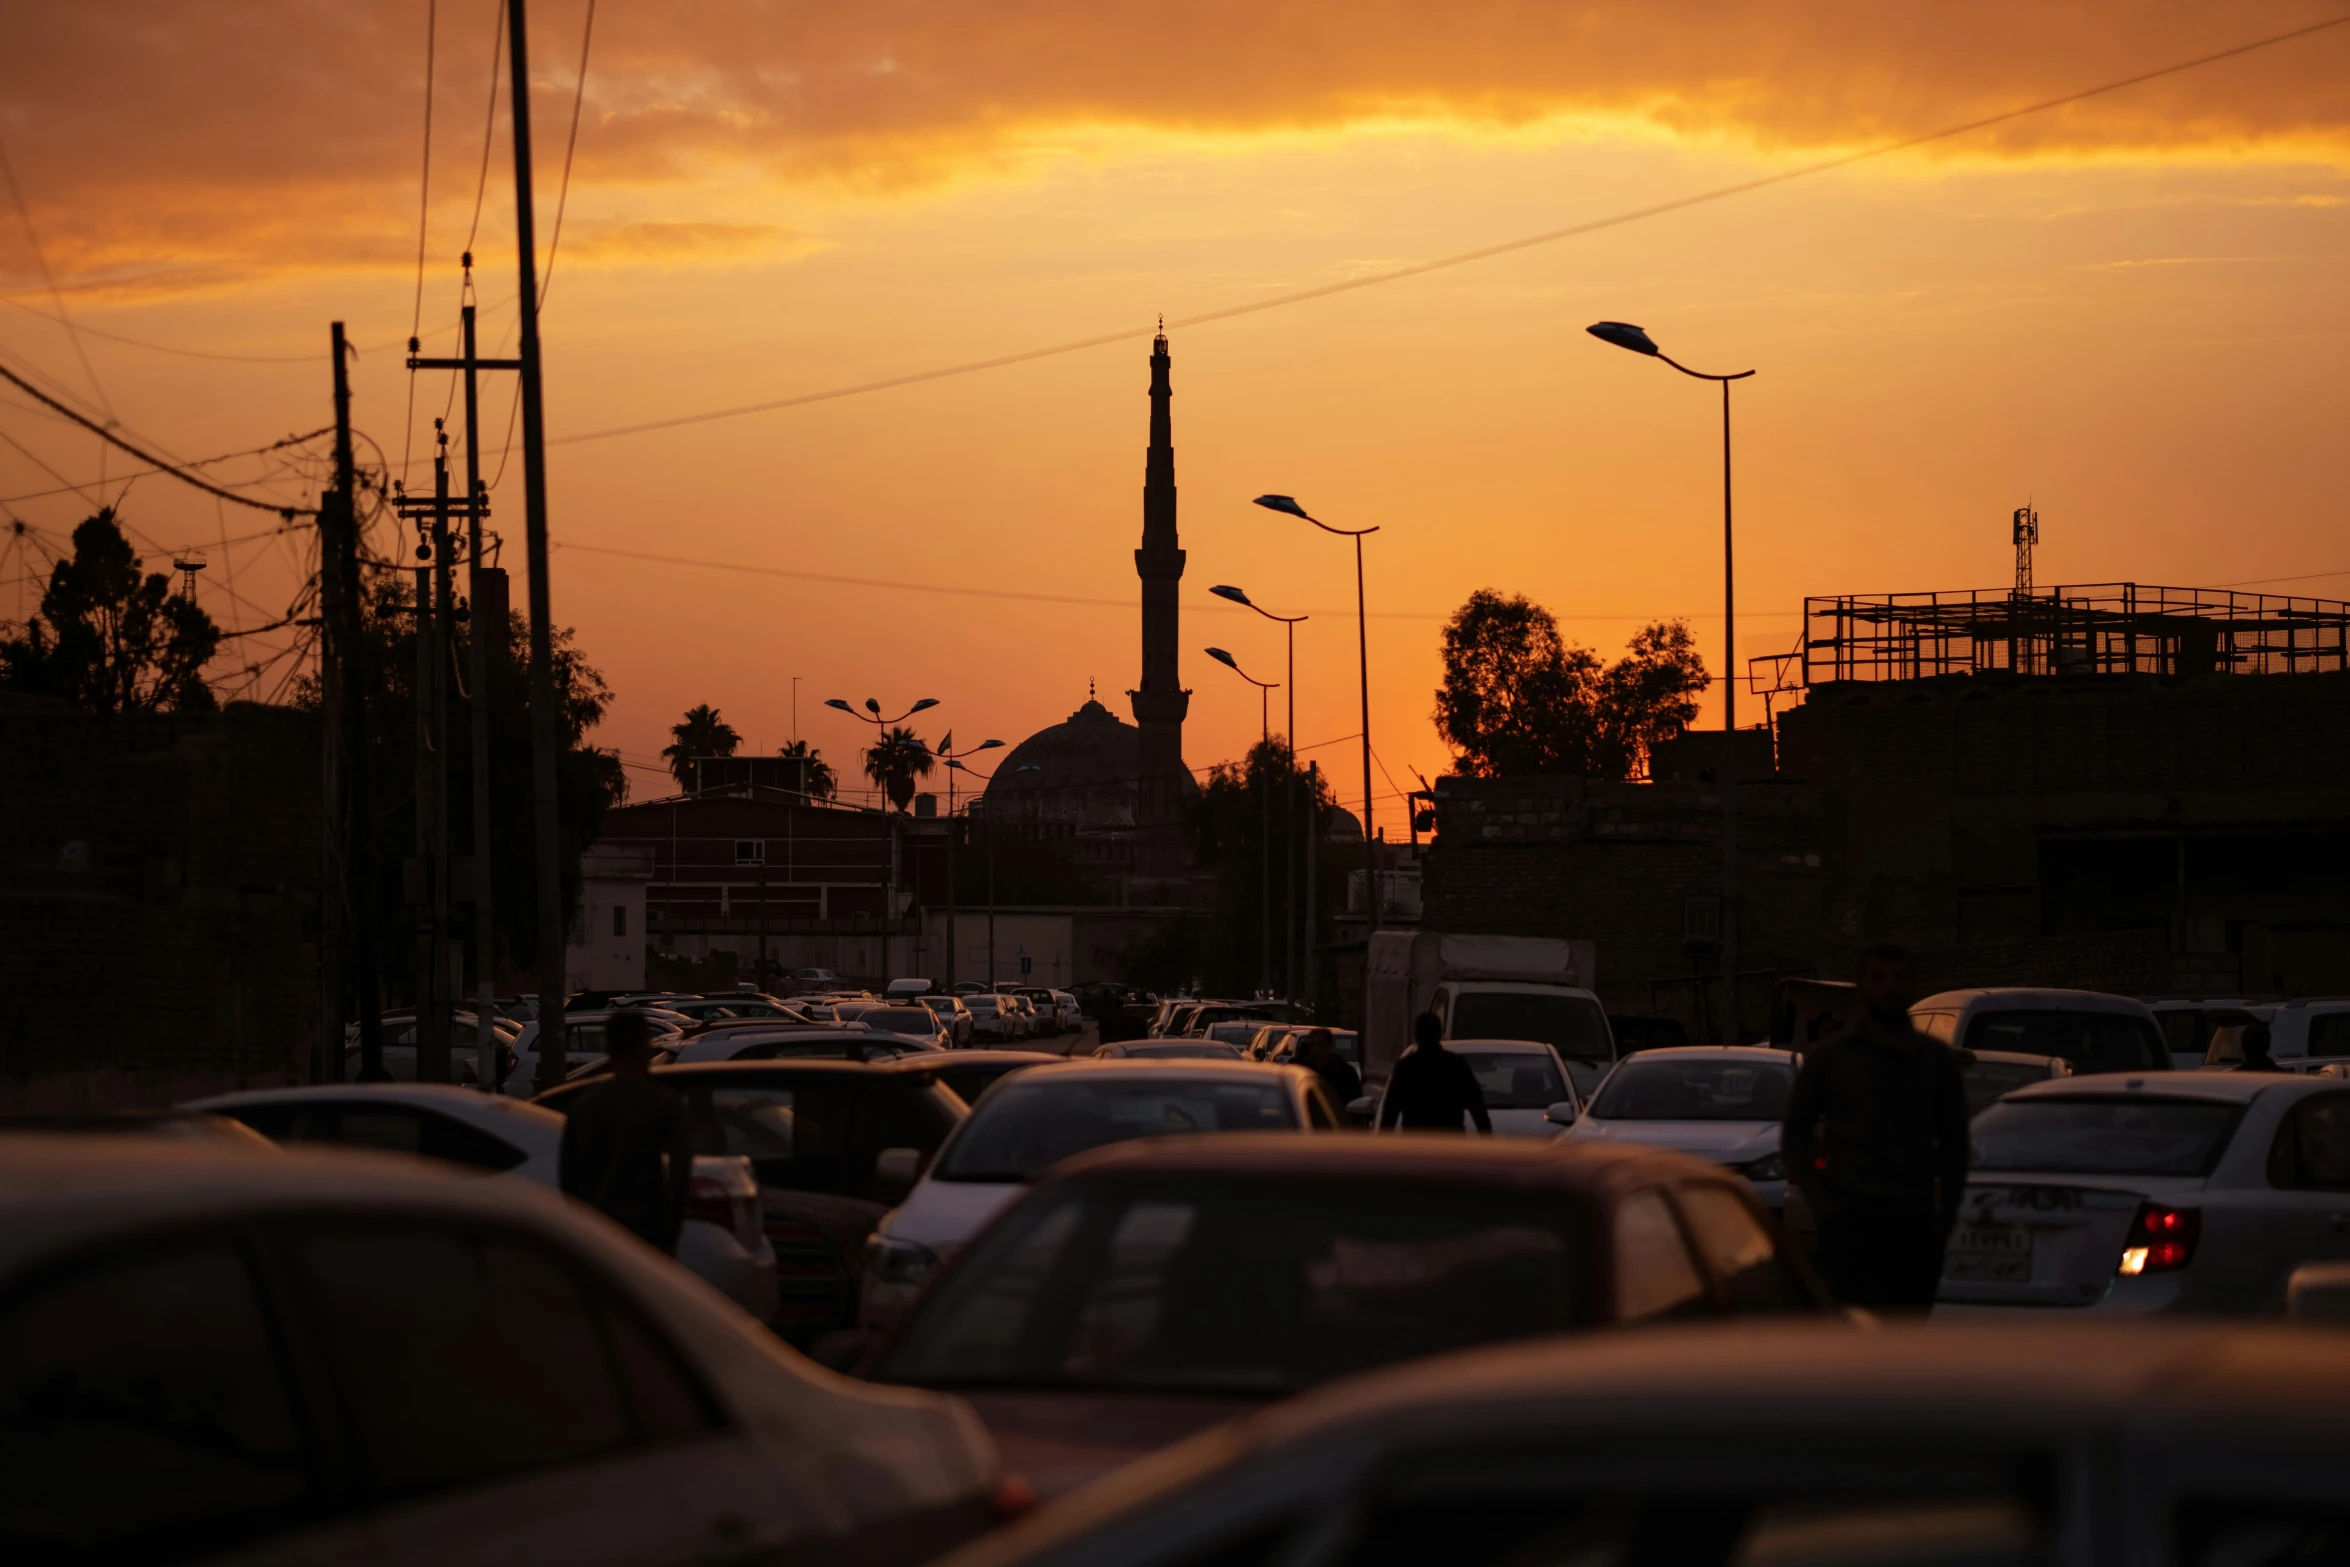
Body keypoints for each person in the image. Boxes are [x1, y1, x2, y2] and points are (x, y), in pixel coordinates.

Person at [1782, 945, 1970, 1311]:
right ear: (1862, 986)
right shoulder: (1831, 1058)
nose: (1890, 987)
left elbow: (1956, 1144)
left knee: (1905, 1347)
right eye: (1879, 977)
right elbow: (1795, 1134)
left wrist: (1944, 1218)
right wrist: (1823, 1206)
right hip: (1849, 1228)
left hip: (1913, 1231)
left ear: (1912, 985)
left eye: (1899, 978)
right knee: (1852, 1348)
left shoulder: (1935, 1060)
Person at [558, 1009, 694, 1252]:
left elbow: (568, 1181)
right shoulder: (664, 1104)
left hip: (596, 1235)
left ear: (609, 1050)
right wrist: (668, 1233)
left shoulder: (582, 1106)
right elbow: (680, 1174)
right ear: (644, 1048)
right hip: (645, 1234)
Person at [1377, 1012, 1492, 1133]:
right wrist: (1487, 1140)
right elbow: (1477, 1108)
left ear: (1416, 1035)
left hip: (1416, 1142)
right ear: (1439, 1034)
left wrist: (1384, 1143)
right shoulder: (1456, 1065)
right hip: (1450, 1142)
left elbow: (1390, 1111)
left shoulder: (1406, 1067)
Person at [1297, 1027, 1362, 1109]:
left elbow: (1354, 1101)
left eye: (1320, 1043)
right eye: (1312, 1044)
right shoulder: (1304, 1071)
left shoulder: (1345, 1072)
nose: (1315, 1048)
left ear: (1329, 1045)